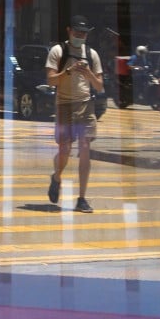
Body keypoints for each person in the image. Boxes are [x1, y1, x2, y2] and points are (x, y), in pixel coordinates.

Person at [45, 14, 104, 213]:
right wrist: (68, 71)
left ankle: (82, 198)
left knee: (85, 147)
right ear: (69, 31)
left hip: (86, 104)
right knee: (65, 150)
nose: (81, 36)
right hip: (64, 105)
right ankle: (56, 177)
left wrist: (88, 74)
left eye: (84, 33)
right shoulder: (58, 51)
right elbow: (51, 80)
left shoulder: (91, 54)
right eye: (77, 32)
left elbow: (99, 85)